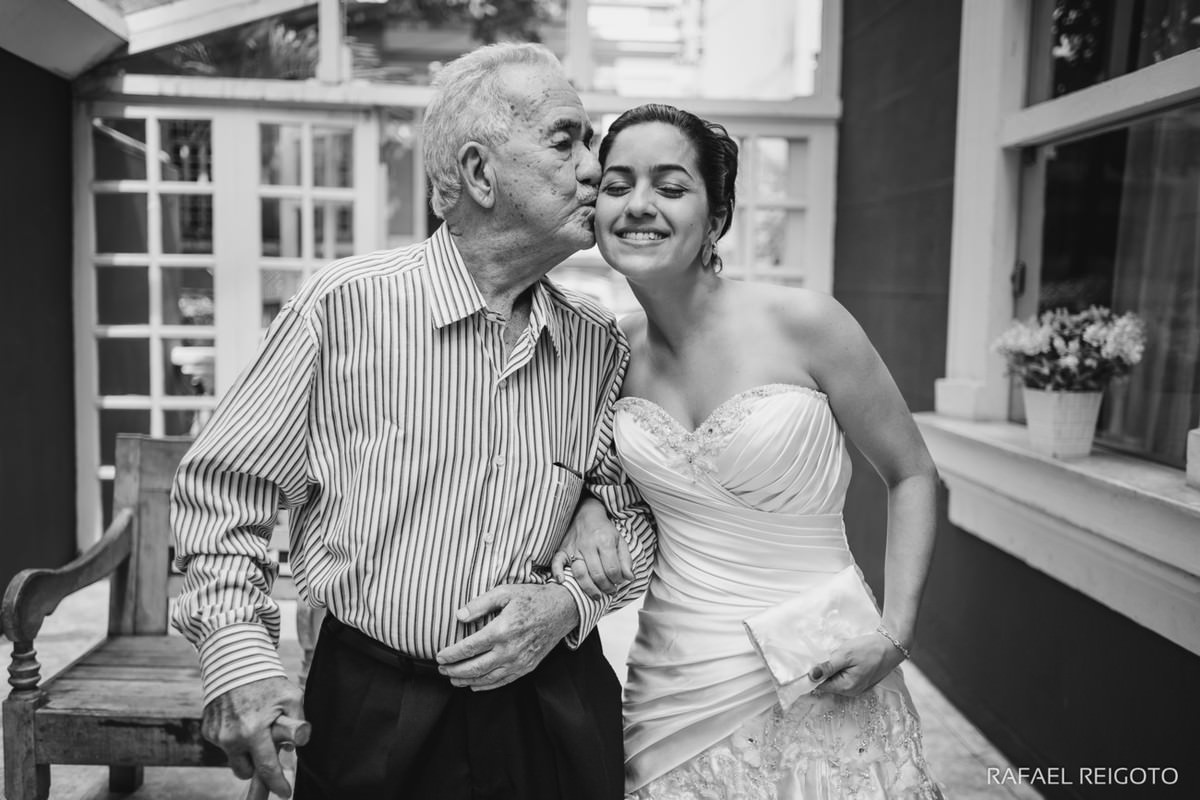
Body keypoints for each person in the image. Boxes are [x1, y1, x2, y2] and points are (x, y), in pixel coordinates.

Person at [169, 43, 656, 800]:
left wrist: (565, 603)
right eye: (568, 140)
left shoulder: (599, 343)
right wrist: (239, 654)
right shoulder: (342, 306)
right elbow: (223, 494)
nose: (595, 168)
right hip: (372, 707)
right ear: (479, 173)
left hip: (551, 706)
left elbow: (637, 518)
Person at [554, 104, 944, 798]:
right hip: (674, 686)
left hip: (824, 669)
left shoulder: (807, 324)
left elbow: (912, 473)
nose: (638, 205)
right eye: (617, 185)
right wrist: (588, 503)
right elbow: (576, 466)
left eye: (671, 187)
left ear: (718, 215)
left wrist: (897, 632)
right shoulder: (605, 351)